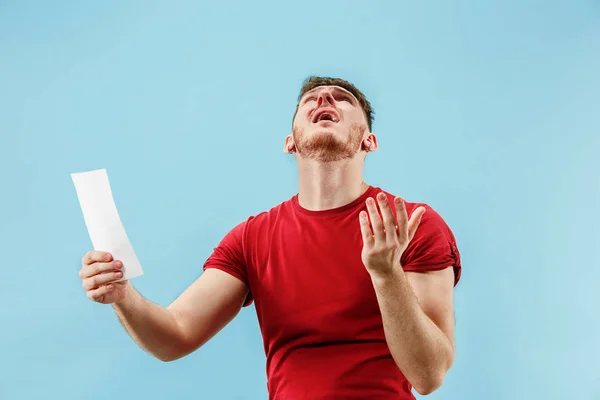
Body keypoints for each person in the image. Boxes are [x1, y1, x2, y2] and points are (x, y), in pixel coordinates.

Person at [78, 76, 462, 399]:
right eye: (311, 99)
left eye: (342, 100)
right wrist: (123, 297)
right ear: (290, 142)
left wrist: (386, 273)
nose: (325, 99)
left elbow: (429, 374)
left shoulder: (411, 224)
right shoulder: (252, 238)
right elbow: (175, 336)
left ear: (369, 141)